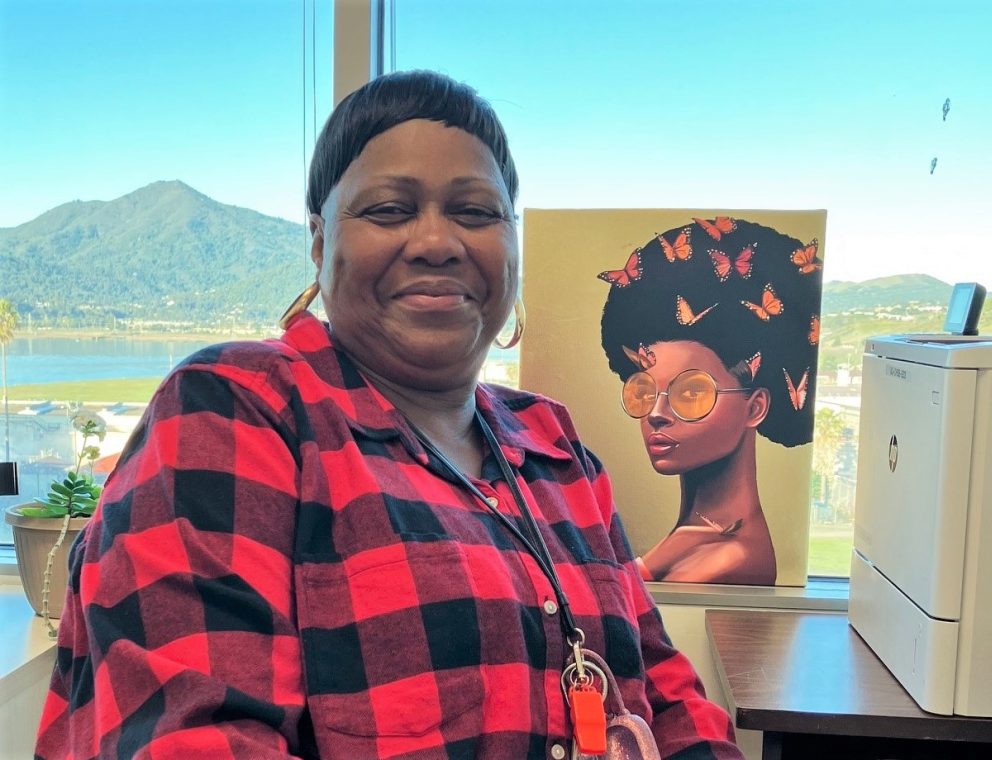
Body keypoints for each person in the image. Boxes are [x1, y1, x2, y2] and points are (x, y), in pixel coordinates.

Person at [36, 71, 744, 759]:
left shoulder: (553, 445)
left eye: (475, 213)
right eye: (388, 210)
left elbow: (663, 692)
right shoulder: (237, 410)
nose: (437, 242)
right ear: (320, 243)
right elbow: (192, 737)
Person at [599, 218, 822, 585]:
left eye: (690, 393)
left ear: (755, 407)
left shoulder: (726, 562)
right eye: (645, 391)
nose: (656, 414)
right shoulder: (690, 544)